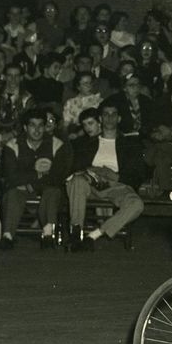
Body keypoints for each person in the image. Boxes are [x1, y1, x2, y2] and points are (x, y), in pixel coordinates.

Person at [67, 104, 147, 251]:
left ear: (119, 118)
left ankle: (95, 235)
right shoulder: (85, 143)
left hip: (115, 184)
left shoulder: (130, 144)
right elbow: (74, 168)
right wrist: (94, 171)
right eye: (106, 114)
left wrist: (116, 176)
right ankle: (76, 231)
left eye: (113, 114)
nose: (109, 117)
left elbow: (139, 174)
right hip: (89, 182)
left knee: (137, 204)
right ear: (100, 119)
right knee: (76, 181)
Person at [0, 109, 74, 250]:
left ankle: (48, 234)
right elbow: (11, 176)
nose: (37, 130)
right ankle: (7, 236)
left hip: (45, 187)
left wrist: (30, 185)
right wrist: (37, 174)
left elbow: (57, 176)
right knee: (12, 193)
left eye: (41, 125)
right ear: (25, 127)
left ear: (45, 127)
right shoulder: (12, 145)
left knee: (53, 192)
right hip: (20, 188)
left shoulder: (57, 144)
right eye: (32, 125)